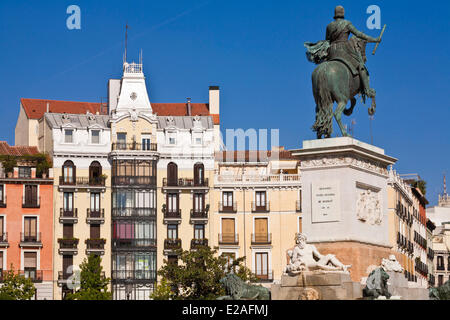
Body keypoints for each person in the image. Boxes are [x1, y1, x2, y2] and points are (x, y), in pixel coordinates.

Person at [325, 5, 381, 98]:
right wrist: (374, 39)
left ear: (335, 14)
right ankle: (367, 90)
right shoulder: (347, 23)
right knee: (361, 65)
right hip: (343, 50)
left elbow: (327, 41)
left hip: (331, 51)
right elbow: (359, 34)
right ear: (343, 14)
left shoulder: (329, 26)